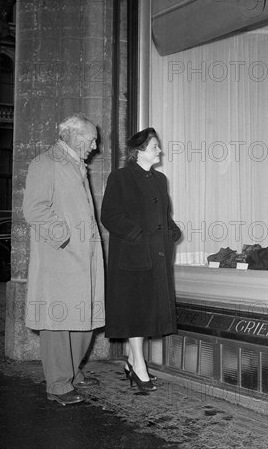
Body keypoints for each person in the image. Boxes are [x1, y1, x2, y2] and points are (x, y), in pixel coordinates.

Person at [23, 113, 105, 405]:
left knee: (82, 319)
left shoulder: (76, 165)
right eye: (91, 139)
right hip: (61, 258)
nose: (95, 145)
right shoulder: (46, 162)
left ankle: (71, 373)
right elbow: (34, 208)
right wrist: (65, 236)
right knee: (58, 322)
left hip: (82, 258)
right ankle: (58, 385)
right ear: (72, 135)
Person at [101, 127, 181, 392]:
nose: (160, 151)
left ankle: (134, 362)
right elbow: (110, 216)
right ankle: (138, 366)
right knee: (136, 312)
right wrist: (137, 235)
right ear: (138, 151)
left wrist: (171, 229)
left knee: (148, 312)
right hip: (132, 256)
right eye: (155, 146)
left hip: (156, 256)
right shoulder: (121, 177)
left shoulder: (160, 179)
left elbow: (162, 215)